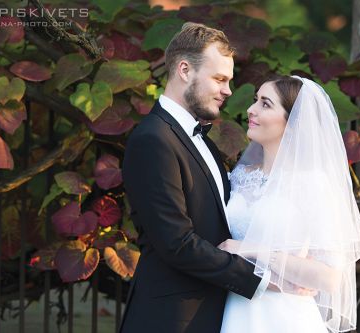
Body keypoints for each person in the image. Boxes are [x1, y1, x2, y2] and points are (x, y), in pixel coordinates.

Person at [120, 22, 269, 333]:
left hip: (217, 314)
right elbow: (177, 243)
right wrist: (263, 280)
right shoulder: (153, 140)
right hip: (172, 319)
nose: (228, 90)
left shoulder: (202, 141)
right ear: (185, 70)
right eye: (219, 79)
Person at [218, 76, 360, 333]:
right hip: (235, 309)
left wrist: (251, 249)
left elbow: (330, 278)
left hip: (285, 317)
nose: (251, 110)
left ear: (292, 123)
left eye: (265, 104)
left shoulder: (312, 184)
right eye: (256, 100)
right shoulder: (239, 177)